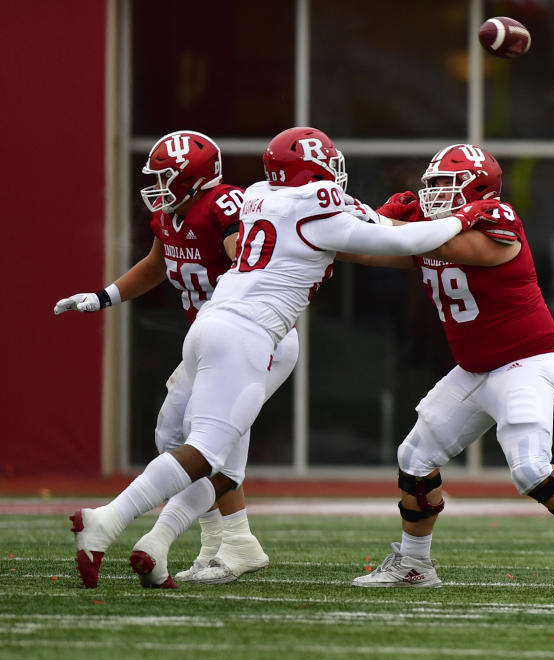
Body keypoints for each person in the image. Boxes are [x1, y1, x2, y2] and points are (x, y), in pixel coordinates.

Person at [66, 127, 498, 589]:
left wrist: (379, 214)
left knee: (208, 450)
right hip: (249, 333)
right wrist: (465, 216)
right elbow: (403, 245)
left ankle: (169, 544)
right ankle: (108, 520)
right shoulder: (319, 204)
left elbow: (349, 225)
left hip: (212, 321)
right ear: (315, 171)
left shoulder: (257, 194)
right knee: (206, 450)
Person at [344, 144, 554, 594]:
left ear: (478, 188)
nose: (434, 194)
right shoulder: (429, 230)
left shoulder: (495, 227)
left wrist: (379, 219)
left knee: (530, 469)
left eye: (446, 185)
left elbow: (435, 241)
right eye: (432, 185)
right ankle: (414, 564)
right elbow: (367, 253)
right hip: (475, 368)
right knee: (414, 460)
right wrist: (333, 227)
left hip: (525, 362)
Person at [55, 130, 295, 585]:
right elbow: (158, 263)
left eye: (166, 177)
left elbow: (245, 256)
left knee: (212, 448)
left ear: (194, 179)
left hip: (256, 340)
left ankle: (172, 538)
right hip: (213, 342)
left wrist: (237, 259)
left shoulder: (223, 203)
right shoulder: (170, 216)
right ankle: (223, 541)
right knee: (172, 433)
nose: (157, 186)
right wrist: (103, 297)